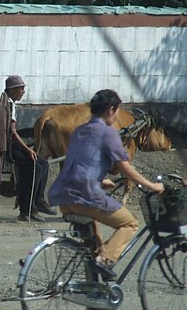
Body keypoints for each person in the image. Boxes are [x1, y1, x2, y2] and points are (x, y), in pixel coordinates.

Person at [47, 89, 164, 280]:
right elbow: (126, 169)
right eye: (118, 110)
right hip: (85, 196)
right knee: (130, 223)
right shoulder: (108, 133)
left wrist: (100, 179)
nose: (118, 115)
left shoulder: (79, 131)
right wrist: (152, 186)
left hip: (65, 199)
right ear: (111, 110)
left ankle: (96, 291)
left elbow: (77, 162)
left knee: (94, 246)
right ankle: (104, 261)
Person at [0, 75, 54, 223]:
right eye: (20, 89)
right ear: (12, 90)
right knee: (35, 167)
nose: (23, 91)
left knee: (43, 163)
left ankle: (38, 200)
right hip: (10, 147)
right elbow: (12, 132)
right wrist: (27, 149)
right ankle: (28, 209)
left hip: (12, 144)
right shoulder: (9, 104)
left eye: (23, 88)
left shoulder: (10, 103)